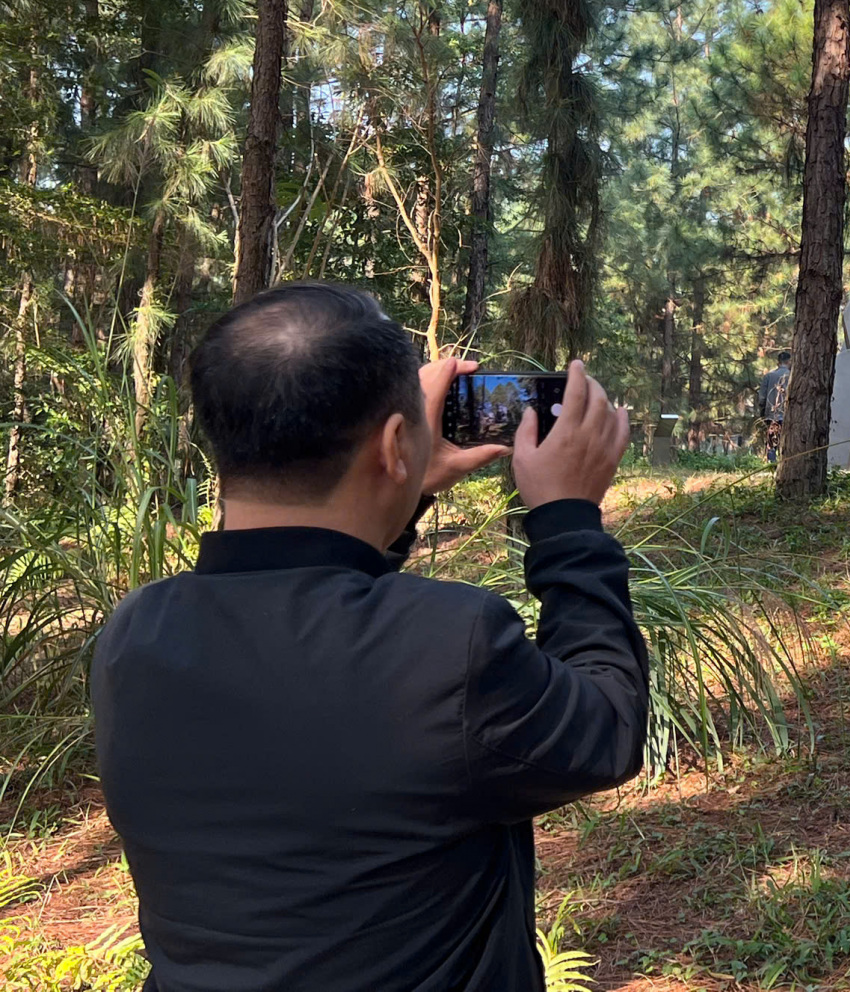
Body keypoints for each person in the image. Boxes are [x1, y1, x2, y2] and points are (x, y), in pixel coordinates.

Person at [90, 283, 642, 992]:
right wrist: (567, 519)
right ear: (391, 443)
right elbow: (608, 725)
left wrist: (398, 489)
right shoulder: (454, 643)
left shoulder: (134, 635)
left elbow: (318, 623)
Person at [755, 350, 791, 464]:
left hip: (772, 415)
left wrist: (762, 412)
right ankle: (785, 464)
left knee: (772, 441)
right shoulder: (792, 376)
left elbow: (762, 397)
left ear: (778, 362)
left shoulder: (769, 376)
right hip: (789, 415)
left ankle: (772, 464)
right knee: (788, 442)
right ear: (789, 362)